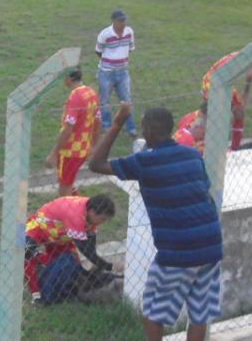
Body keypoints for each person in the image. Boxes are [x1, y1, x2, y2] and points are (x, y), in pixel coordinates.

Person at [89, 104, 223, 341]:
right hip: (211, 245)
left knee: (152, 310)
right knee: (200, 313)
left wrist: (118, 123)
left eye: (142, 127)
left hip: (178, 252)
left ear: (149, 131)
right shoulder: (193, 156)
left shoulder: (145, 162)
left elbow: (96, 164)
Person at [24, 194, 115, 305]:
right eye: (102, 219)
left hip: (61, 234)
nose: (103, 222)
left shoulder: (89, 213)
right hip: (38, 225)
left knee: (69, 264)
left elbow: (90, 248)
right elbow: (86, 251)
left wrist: (100, 263)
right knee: (24, 252)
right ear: (92, 211)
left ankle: (39, 258)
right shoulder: (77, 216)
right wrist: (109, 266)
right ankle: (36, 293)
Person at [46, 67, 101, 196]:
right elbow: (98, 123)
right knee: (69, 183)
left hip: (70, 151)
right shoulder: (92, 93)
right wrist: (93, 146)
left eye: (63, 77)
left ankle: (72, 214)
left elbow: (68, 128)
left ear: (70, 78)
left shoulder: (75, 97)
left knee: (64, 189)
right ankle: (81, 209)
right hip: (83, 149)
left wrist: (54, 153)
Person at [95, 9, 137, 137]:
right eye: (120, 21)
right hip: (106, 72)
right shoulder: (105, 34)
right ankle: (106, 126)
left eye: (124, 20)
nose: (123, 23)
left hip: (123, 71)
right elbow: (98, 51)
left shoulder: (129, 32)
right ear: (114, 21)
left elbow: (130, 48)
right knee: (105, 101)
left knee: (126, 100)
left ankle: (131, 127)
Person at [201, 52, 252, 150]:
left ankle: (234, 147)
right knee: (214, 117)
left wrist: (248, 82)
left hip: (222, 81)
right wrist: (248, 81)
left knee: (239, 114)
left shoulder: (249, 56)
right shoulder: (248, 58)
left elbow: (241, 107)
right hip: (212, 82)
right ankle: (210, 147)